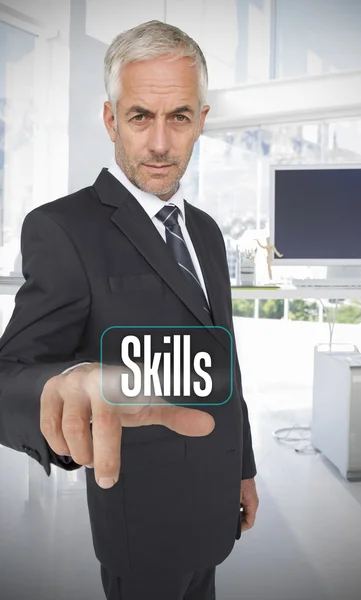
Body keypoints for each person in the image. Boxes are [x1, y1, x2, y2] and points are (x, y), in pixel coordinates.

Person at [0, 20, 258, 600]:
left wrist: (243, 467)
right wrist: (61, 384)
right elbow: (8, 374)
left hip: (215, 505)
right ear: (112, 119)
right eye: (141, 116)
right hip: (141, 516)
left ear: (201, 122)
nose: (161, 144)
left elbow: (225, 363)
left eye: (180, 118)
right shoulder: (63, 228)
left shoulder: (209, 233)